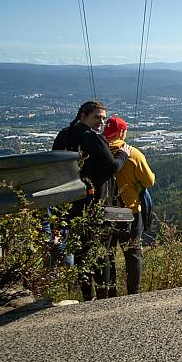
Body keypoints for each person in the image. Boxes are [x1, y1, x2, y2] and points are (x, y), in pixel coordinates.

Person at [52, 100, 131, 300]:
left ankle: (88, 295)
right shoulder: (92, 138)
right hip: (96, 204)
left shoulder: (64, 135)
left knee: (81, 251)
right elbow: (112, 166)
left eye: (103, 118)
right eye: (97, 117)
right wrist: (123, 155)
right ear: (83, 115)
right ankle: (103, 295)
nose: (101, 122)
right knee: (101, 251)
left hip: (72, 202)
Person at [101, 115, 155, 297]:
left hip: (106, 211)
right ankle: (133, 294)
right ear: (122, 132)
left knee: (107, 255)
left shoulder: (98, 152)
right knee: (132, 254)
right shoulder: (133, 154)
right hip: (128, 211)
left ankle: (109, 294)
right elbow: (149, 181)